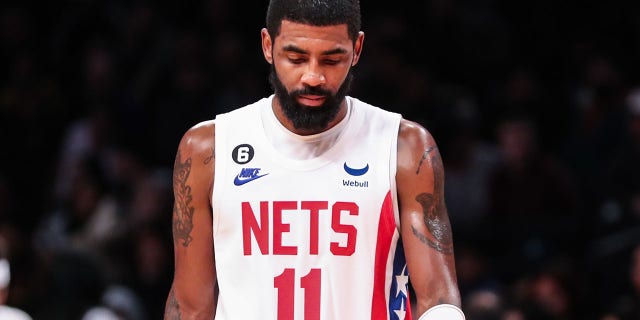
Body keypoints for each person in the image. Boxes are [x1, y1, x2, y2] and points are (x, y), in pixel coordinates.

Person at [164, 0, 464, 319]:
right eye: (296, 58)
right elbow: (190, 306)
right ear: (268, 45)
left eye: (332, 60)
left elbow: (437, 295)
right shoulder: (209, 149)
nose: (313, 76)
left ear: (357, 48)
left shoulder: (404, 147)